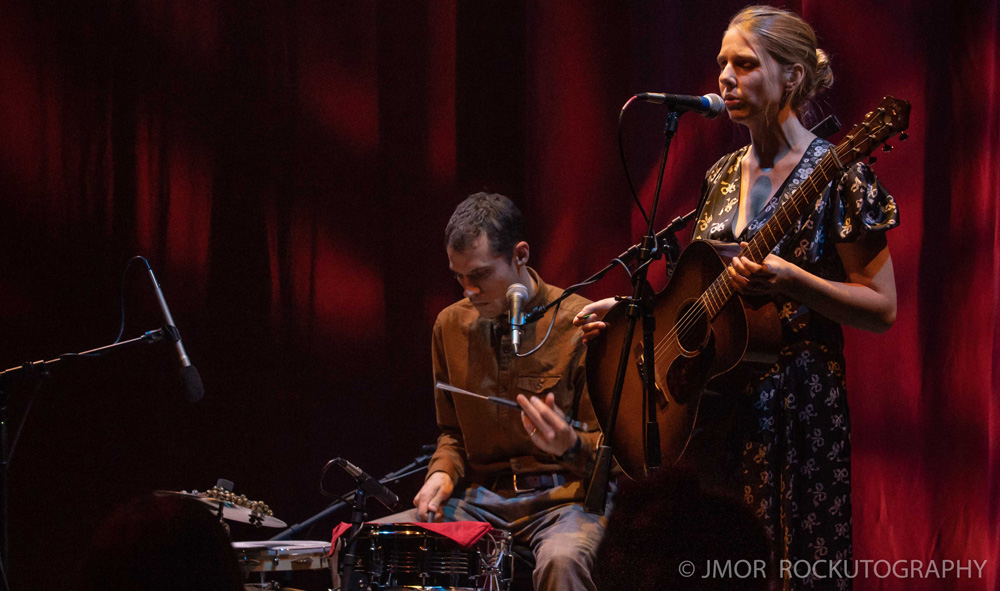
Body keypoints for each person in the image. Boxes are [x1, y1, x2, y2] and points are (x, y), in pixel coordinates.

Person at [577, 6, 898, 590]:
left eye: (745, 64)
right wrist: (630, 318)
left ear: (792, 76)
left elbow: (882, 307)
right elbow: (693, 296)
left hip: (797, 408)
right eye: (722, 62)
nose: (725, 77)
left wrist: (795, 281)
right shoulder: (721, 175)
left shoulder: (839, 173)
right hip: (715, 413)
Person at [381, 192, 606, 591]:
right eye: (459, 277)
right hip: (479, 501)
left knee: (563, 561)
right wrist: (441, 473)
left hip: (562, 503)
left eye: (480, 275)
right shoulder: (450, 326)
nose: (468, 290)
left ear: (520, 255)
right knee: (372, 547)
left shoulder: (580, 324)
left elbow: (616, 457)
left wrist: (569, 445)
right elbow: (452, 434)